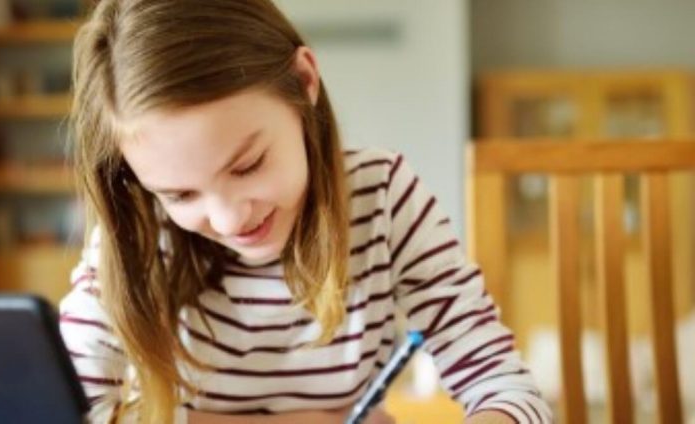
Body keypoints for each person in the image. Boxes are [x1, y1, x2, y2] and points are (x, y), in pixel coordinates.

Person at [58, 0, 551, 423]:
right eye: (181, 196)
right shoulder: (139, 232)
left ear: (304, 81)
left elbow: (505, 385)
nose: (230, 221)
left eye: (248, 165)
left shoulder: (382, 196)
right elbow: (73, 411)